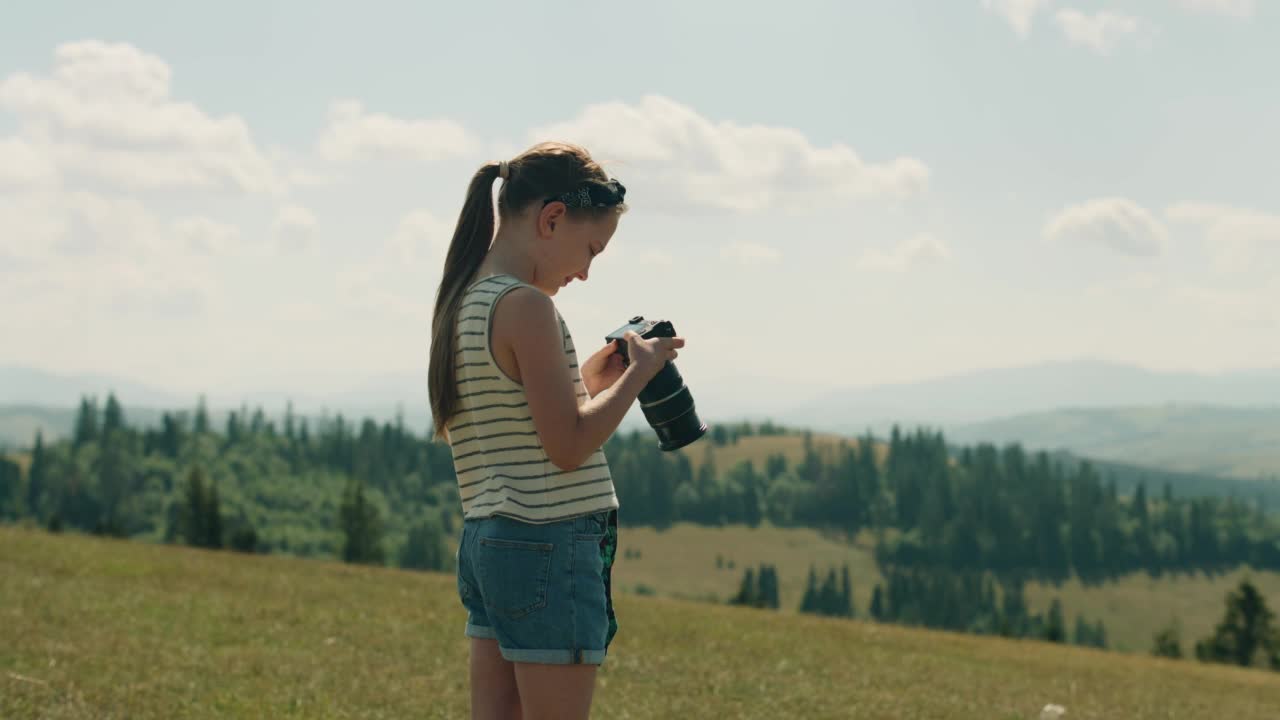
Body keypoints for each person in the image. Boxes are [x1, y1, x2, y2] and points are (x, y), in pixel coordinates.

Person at [428, 141, 684, 720]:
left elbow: (524, 417)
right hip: (550, 538)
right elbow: (566, 446)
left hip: (492, 541)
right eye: (590, 249)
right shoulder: (528, 307)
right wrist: (640, 373)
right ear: (551, 218)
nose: (586, 273)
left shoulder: (467, 300)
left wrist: (598, 373)